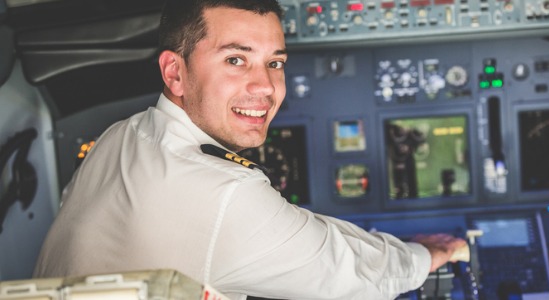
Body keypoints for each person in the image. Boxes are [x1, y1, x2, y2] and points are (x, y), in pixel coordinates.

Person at [33, 0, 466, 299]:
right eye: (236, 60)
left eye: (274, 62)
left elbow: (302, 236)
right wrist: (430, 254)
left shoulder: (120, 135)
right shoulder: (223, 191)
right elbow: (351, 275)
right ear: (175, 72)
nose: (265, 87)